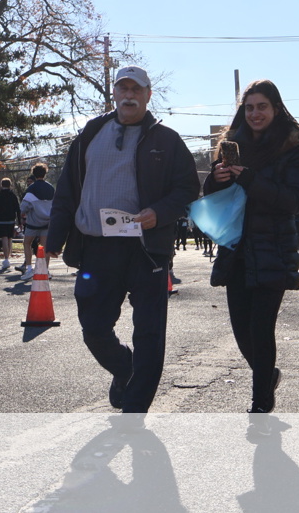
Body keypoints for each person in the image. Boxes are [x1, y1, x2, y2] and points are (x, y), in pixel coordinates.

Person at [46, 65, 199, 413]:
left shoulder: (167, 140)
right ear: (114, 93)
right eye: (123, 88)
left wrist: (159, 212)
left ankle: (136, 408)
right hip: (96, 247)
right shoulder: (91, 132)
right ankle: (124, 368)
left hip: (146, 248)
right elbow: (68, 186)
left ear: (148, 95)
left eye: (136, 89)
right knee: (93, 328)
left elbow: (188, 189)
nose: (129, 95)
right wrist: (55, 235)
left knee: (149, 332)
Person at [203, 79, 299, 415]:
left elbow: (296, 201)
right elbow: (214, 198)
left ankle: (260, 404)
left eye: (262, 106)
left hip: (272, 249)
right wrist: (215, 180)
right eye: (249, 107)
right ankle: (268, 376)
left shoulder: (293, 148)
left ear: (276, 108)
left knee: (261, 329)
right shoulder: (232, 144)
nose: (255, 113)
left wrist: (251, 180)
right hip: (235, 249)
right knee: (241, 332)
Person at [18, 163, 55, 280]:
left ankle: (29, 269)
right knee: (44, 247)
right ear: (45, 173)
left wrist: (23, 214)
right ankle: (45, 270)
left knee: (27, 243)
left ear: (33, 174)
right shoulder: (51, 188)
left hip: (33, 223)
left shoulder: (31, 189)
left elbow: (24, 207)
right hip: (46, 223)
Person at [0, 178, 21, 270]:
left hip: (1, 220)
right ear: (10, 185)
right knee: (10, 238)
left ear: (1, 185)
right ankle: (8, 257)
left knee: (4, 238)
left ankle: (6, 259)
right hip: (11, 220)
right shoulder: (13, 196)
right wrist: (20, 222)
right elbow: (18, 209)